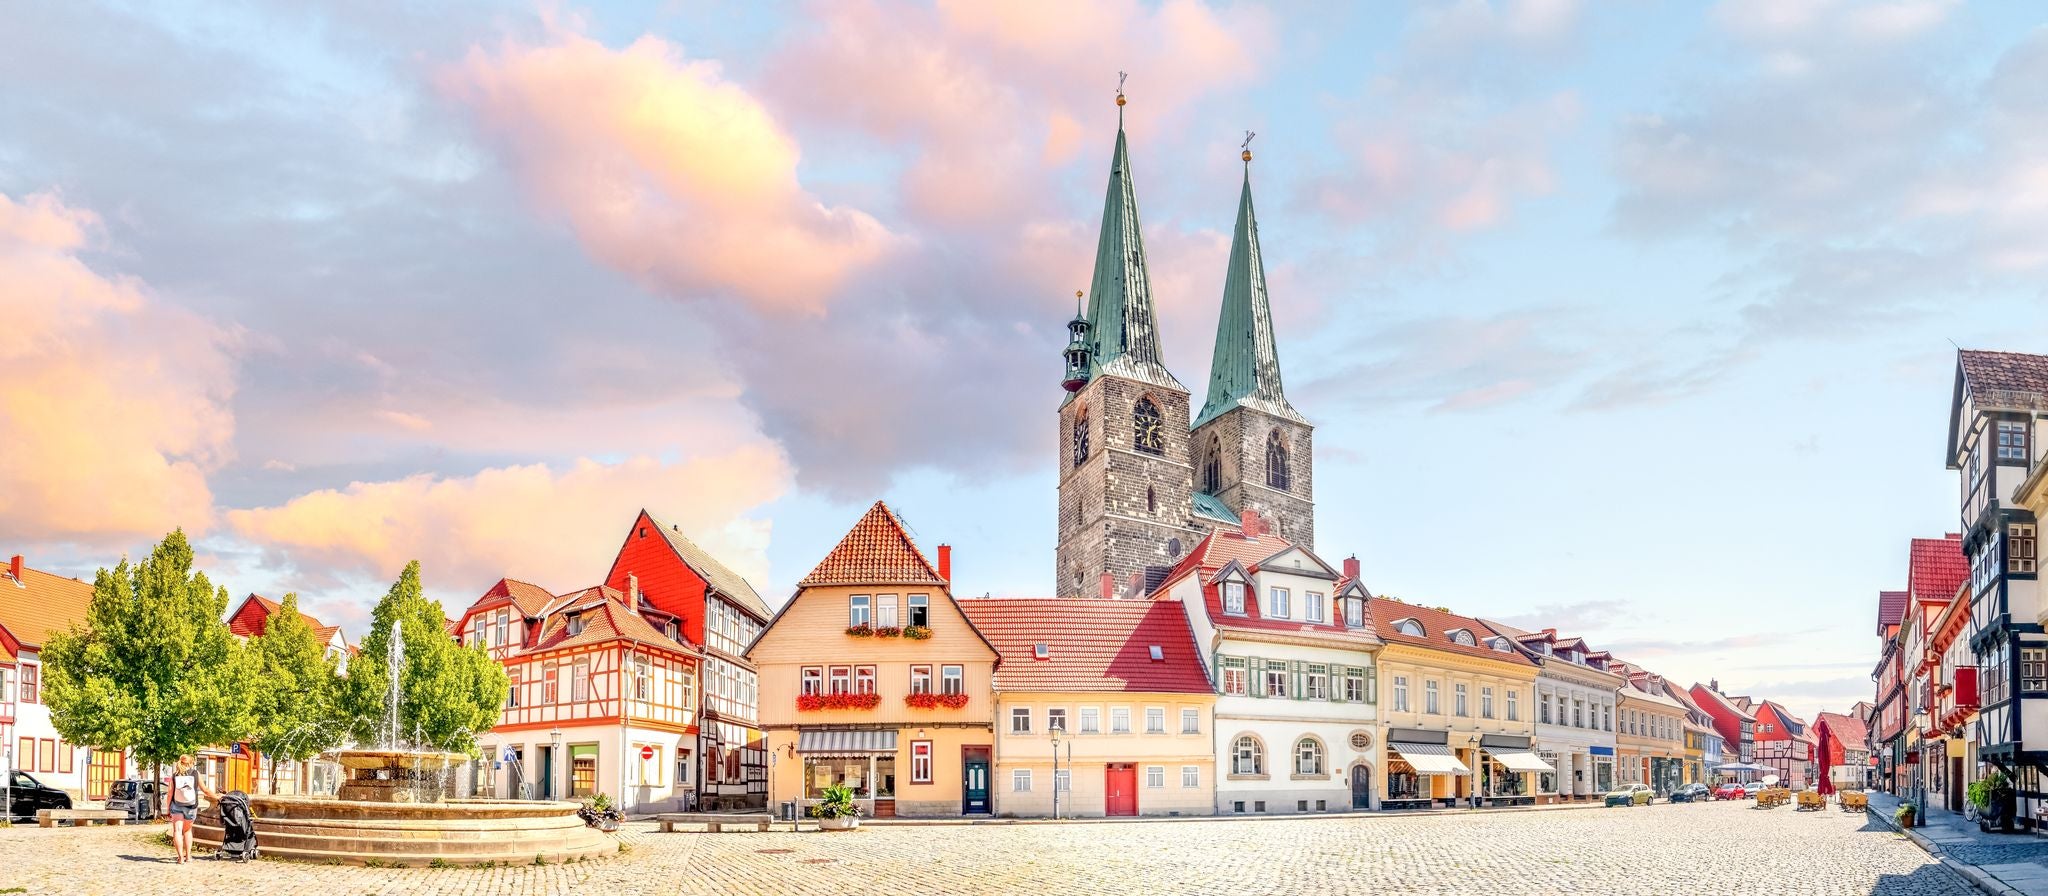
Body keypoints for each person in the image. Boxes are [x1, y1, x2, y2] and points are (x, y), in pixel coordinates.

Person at [163, 755, 220, 864]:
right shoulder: (195, 773)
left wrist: (168, 808)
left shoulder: (175, 775)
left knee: (177, 831)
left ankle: (180, 858)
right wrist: (216, 797)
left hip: (177, 805)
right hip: (191, 806)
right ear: (190, 763)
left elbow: (170, 793)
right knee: (187, 830)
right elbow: (205, 790)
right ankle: (188, 857)